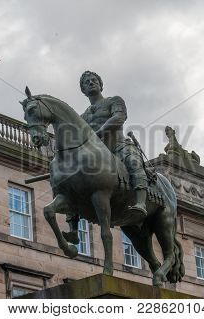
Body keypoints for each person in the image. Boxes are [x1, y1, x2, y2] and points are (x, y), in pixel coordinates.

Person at [62, 71, 148, 244]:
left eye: (94, 80)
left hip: (117, 146)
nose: (91, 83)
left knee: (133, 162)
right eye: (87, 82)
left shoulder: (114, 101)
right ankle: (73, 229)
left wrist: (99, 132)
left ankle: (140, 203)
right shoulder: (83, 116)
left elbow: (119, 117)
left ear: (101, 85)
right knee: (69, 180)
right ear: (83, 90)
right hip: (96, 153)